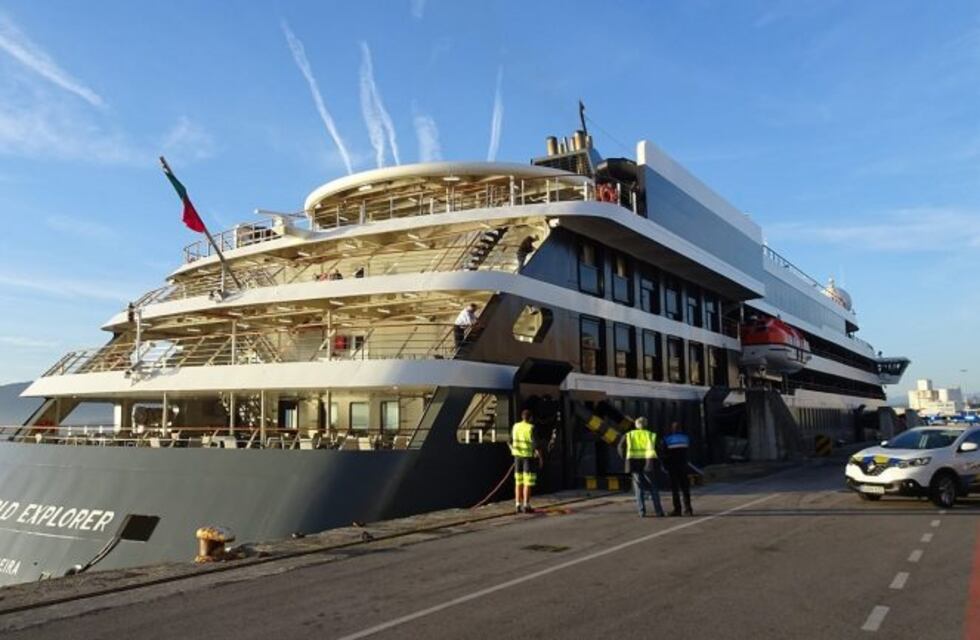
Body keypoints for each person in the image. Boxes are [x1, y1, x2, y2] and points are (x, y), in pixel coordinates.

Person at [619, 417, 665, 517]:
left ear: (636, 425)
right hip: (648, 463)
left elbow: (620, 447)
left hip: (633, 463)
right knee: (653, 487)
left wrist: (626, 458)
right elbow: (660, 449)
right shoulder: (651, 435)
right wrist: (657, 460)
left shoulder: (629, 435)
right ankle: (659, 511)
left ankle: (642, 512)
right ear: (646, 424)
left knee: (638, 488)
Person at [510, 409, 541, 513]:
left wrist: (513, 450)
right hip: (528, 458)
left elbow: (510, 440)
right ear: (530, 418)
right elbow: (536, 445)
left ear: (522, 417)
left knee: (518, 481)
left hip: (517, 457)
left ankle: (517, 504)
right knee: (527, 482)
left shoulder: (515, 426)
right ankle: (526, 505)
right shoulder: (531, 428)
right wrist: (541, 458)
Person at [663, 421, 694, 516]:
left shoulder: (667, 439)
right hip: (683, 466)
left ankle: (677, 509)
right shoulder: (686, 438)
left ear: (672, 429)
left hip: (672, 466)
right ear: (680, 429)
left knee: (675, 489)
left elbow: (664, 453)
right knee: (685, 488)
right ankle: (688, 509)